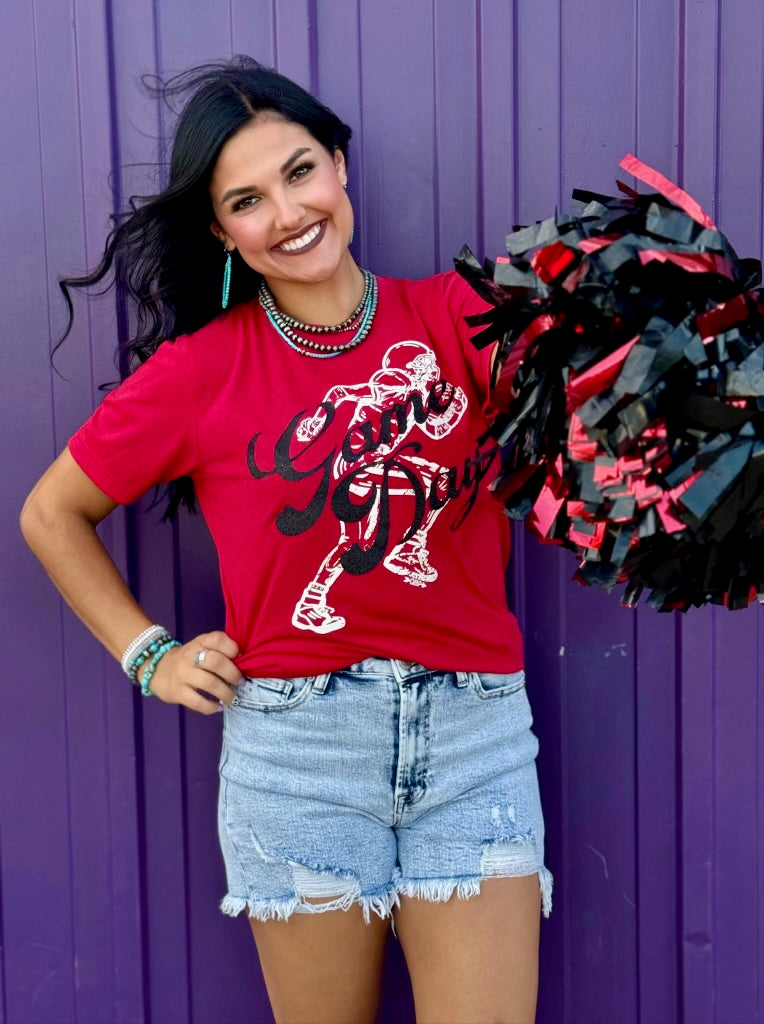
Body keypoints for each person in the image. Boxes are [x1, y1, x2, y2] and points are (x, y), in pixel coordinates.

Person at [20, 56, 552, 1024]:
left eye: (300, 171)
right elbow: (51, 512)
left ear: (341, 166)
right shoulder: (200, 371)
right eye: (248, 199)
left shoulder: (463, 317)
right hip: (299, 751)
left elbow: (601, 424)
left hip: (476, 737)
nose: (289, 211)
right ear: (222, 229)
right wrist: (151, 656)